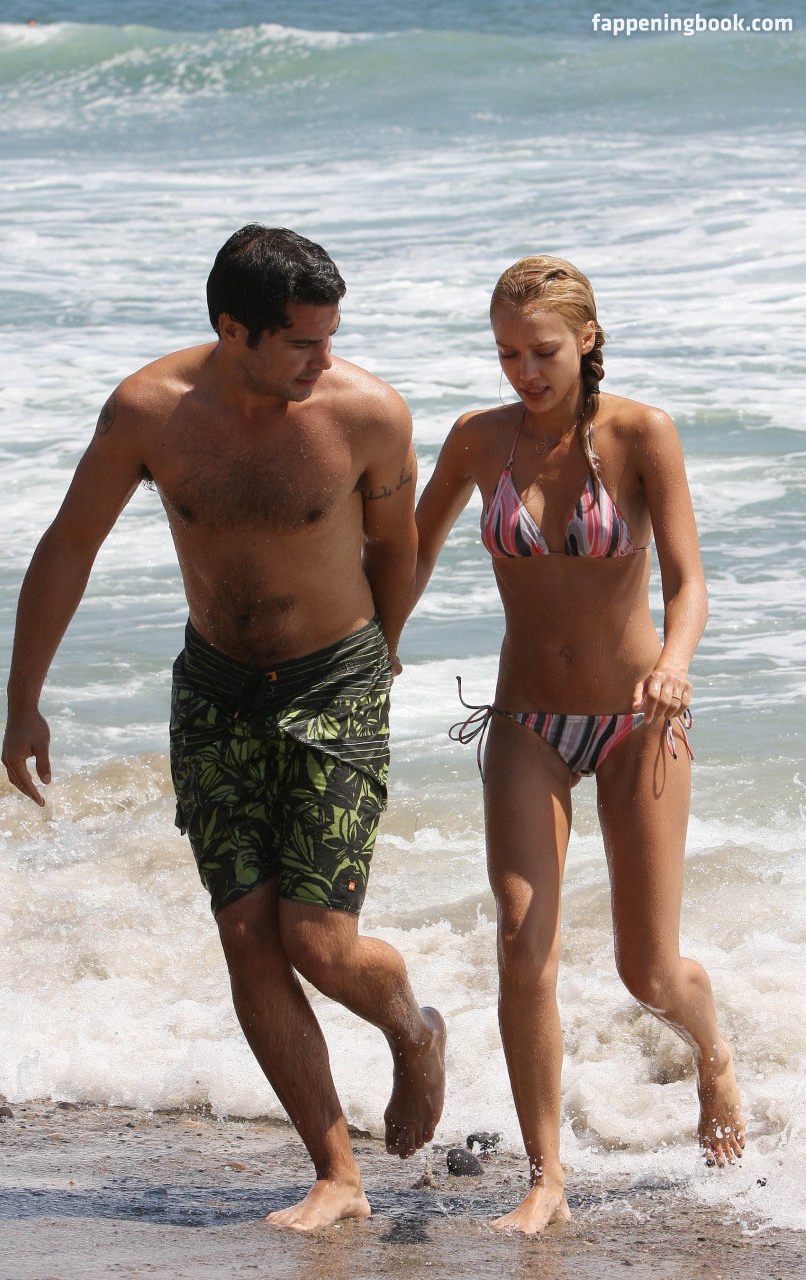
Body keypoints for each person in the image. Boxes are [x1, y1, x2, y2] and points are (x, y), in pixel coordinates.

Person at [1, 224, 446, 1232]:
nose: (324, 359)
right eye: (302, 342)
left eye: (331, 338)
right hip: (214, 687)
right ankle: (335, 1172)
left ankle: (413, 1029)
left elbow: (396, 545)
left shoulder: (367, 415)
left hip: (336, 680)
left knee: (318, 942)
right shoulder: (149, 411)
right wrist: (25, 698)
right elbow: (69, 544)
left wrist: (384, 649)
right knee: (246, 931)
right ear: (232, 328)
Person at [413, 255, 744, 1234]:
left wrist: (675, 660)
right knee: (523, 941)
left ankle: (714, 1055)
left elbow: (687, 580)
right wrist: (371, 641)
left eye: (542, 351)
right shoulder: (477, 440)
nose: (524, 371)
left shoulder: (641, 434)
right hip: (528, 721)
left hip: (639, 719)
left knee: (650, 971)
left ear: (586, 339)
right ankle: (546, 1176)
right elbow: (410, 551)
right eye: (506, 354)